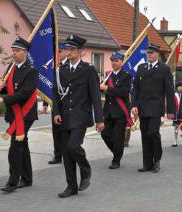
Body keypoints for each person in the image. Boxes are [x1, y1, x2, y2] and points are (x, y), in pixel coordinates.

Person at [52, 34, 104, 198]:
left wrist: (100, 119)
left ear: (81, 51)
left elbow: (95, 95)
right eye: (67, 49)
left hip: (81, 115)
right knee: (66, 154)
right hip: (65, 116)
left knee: (73, 146)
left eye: (72, 49)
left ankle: (85, 168)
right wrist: (56, 112)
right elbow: (56, 94)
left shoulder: (88, 70)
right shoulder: (61, 70)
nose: (69, 51)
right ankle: (71, 186)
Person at [0, 37, 38, 192]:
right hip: (13, 113)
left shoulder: (31, 71)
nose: (14, 53)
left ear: (25, 52)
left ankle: (13, 182)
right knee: (22, 144)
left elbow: (24, 94)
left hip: (25, 114)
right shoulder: (11, 68)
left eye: (17, 51)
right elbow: (10, 90)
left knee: (15, 146)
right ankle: (27, 178)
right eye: (13, 51)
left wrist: (1, 100)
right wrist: (2, 87)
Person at [132, 43, 175, 173]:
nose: (148, 55)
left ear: (157, 54)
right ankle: (147, 163)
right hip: (143, 107)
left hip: (156, 107)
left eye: (151, 53)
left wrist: (171, 111)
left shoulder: (164, 69)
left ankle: (156, 161)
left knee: (153, 133)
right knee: (145, 135)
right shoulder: (141, 68)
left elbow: (169, 91)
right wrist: (134, 105)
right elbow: (136, 89)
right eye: (147, 53)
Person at [100, 51, 132, 169]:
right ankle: (117, 152)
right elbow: (102, 90)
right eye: (112, 60)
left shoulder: (126, 76)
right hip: (108, 111)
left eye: (116, 60)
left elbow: (123, 93)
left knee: (118, 137)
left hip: (120, 112)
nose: (114, 63)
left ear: (122, 62)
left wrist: (107, 88)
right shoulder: (108, 75)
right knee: (105, 134)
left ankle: (116, 160)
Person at [48, 43, 69, 165]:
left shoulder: (67, 66)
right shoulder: (53, 66)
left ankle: (67, 154)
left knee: (65, 131)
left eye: (60, 51)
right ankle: (57, 155)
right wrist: (47, 104)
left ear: (66, 52)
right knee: (56, 131)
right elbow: (51, 87)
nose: (58, 54)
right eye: (57, 51)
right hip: (56, 103)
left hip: (67, 104)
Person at [172, 81, 182, 147]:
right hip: (177, 114)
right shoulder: (174, 95)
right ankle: (175, 140)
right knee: (176, 127)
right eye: (179, 86)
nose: (180, 88)